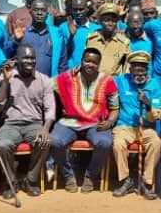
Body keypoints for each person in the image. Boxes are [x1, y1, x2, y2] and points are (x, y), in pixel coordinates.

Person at [51, 48, 119, 192]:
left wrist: (110, 121)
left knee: (105, 142)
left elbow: (114, 108)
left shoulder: (108, 81)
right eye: (87, 60)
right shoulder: (68, 77)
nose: (90, 64)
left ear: (99, 64)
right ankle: (68, 176)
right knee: (54, 141)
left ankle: (90, 176)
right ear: (81, 61)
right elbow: (46, 85)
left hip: (95, 123)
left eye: (94, 62)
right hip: (70, 122)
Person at [0, 44, 56, 197]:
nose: (30, 61)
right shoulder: (8, 76)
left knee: (44, 141)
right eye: (26, 58)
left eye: (32, 58)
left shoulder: (44, 80)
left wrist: (45, 129)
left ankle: (30, 180)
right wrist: (6, 82)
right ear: (17, 60)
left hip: (33, 124)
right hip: (10, 124)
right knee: (3, 144)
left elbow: (50, 109)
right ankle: (11, 181)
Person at [111, 52, 161, 198]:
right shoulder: (120, 81)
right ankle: (125, 181)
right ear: (130, 69)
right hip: (124, 126)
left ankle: (146, 183)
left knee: (156, 142)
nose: (139, 73)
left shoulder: (155, 85)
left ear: (147, 70)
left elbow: (155, 117)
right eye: (136, 69)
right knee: (118, 144)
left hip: (146, 127)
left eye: (143, 69)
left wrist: (148, 105)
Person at [7, 0, 67, 79]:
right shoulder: (22, 33)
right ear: (30, 12)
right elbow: (7, 55)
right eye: (36, 10)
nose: (39, 13)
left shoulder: (56, 34)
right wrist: (16, 40)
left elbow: (62, 64)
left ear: (47, 13)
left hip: (49, 84)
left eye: (43, 10)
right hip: (24, 84)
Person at [85, 3, 131, 76]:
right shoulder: (91, 39)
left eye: (113, 21)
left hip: (113, 84)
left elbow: (127, 70)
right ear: (100, 21)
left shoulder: (124, 43)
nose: (110, 23)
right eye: (106, 20)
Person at [66, 0, 100, 69]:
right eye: (75, 10)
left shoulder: (97, 29)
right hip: (71, 72)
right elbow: (63, 53)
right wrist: (71, 36)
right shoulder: (64, 27)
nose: (78, 12)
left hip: (90, 72)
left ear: (87, 9)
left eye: (81, 9)